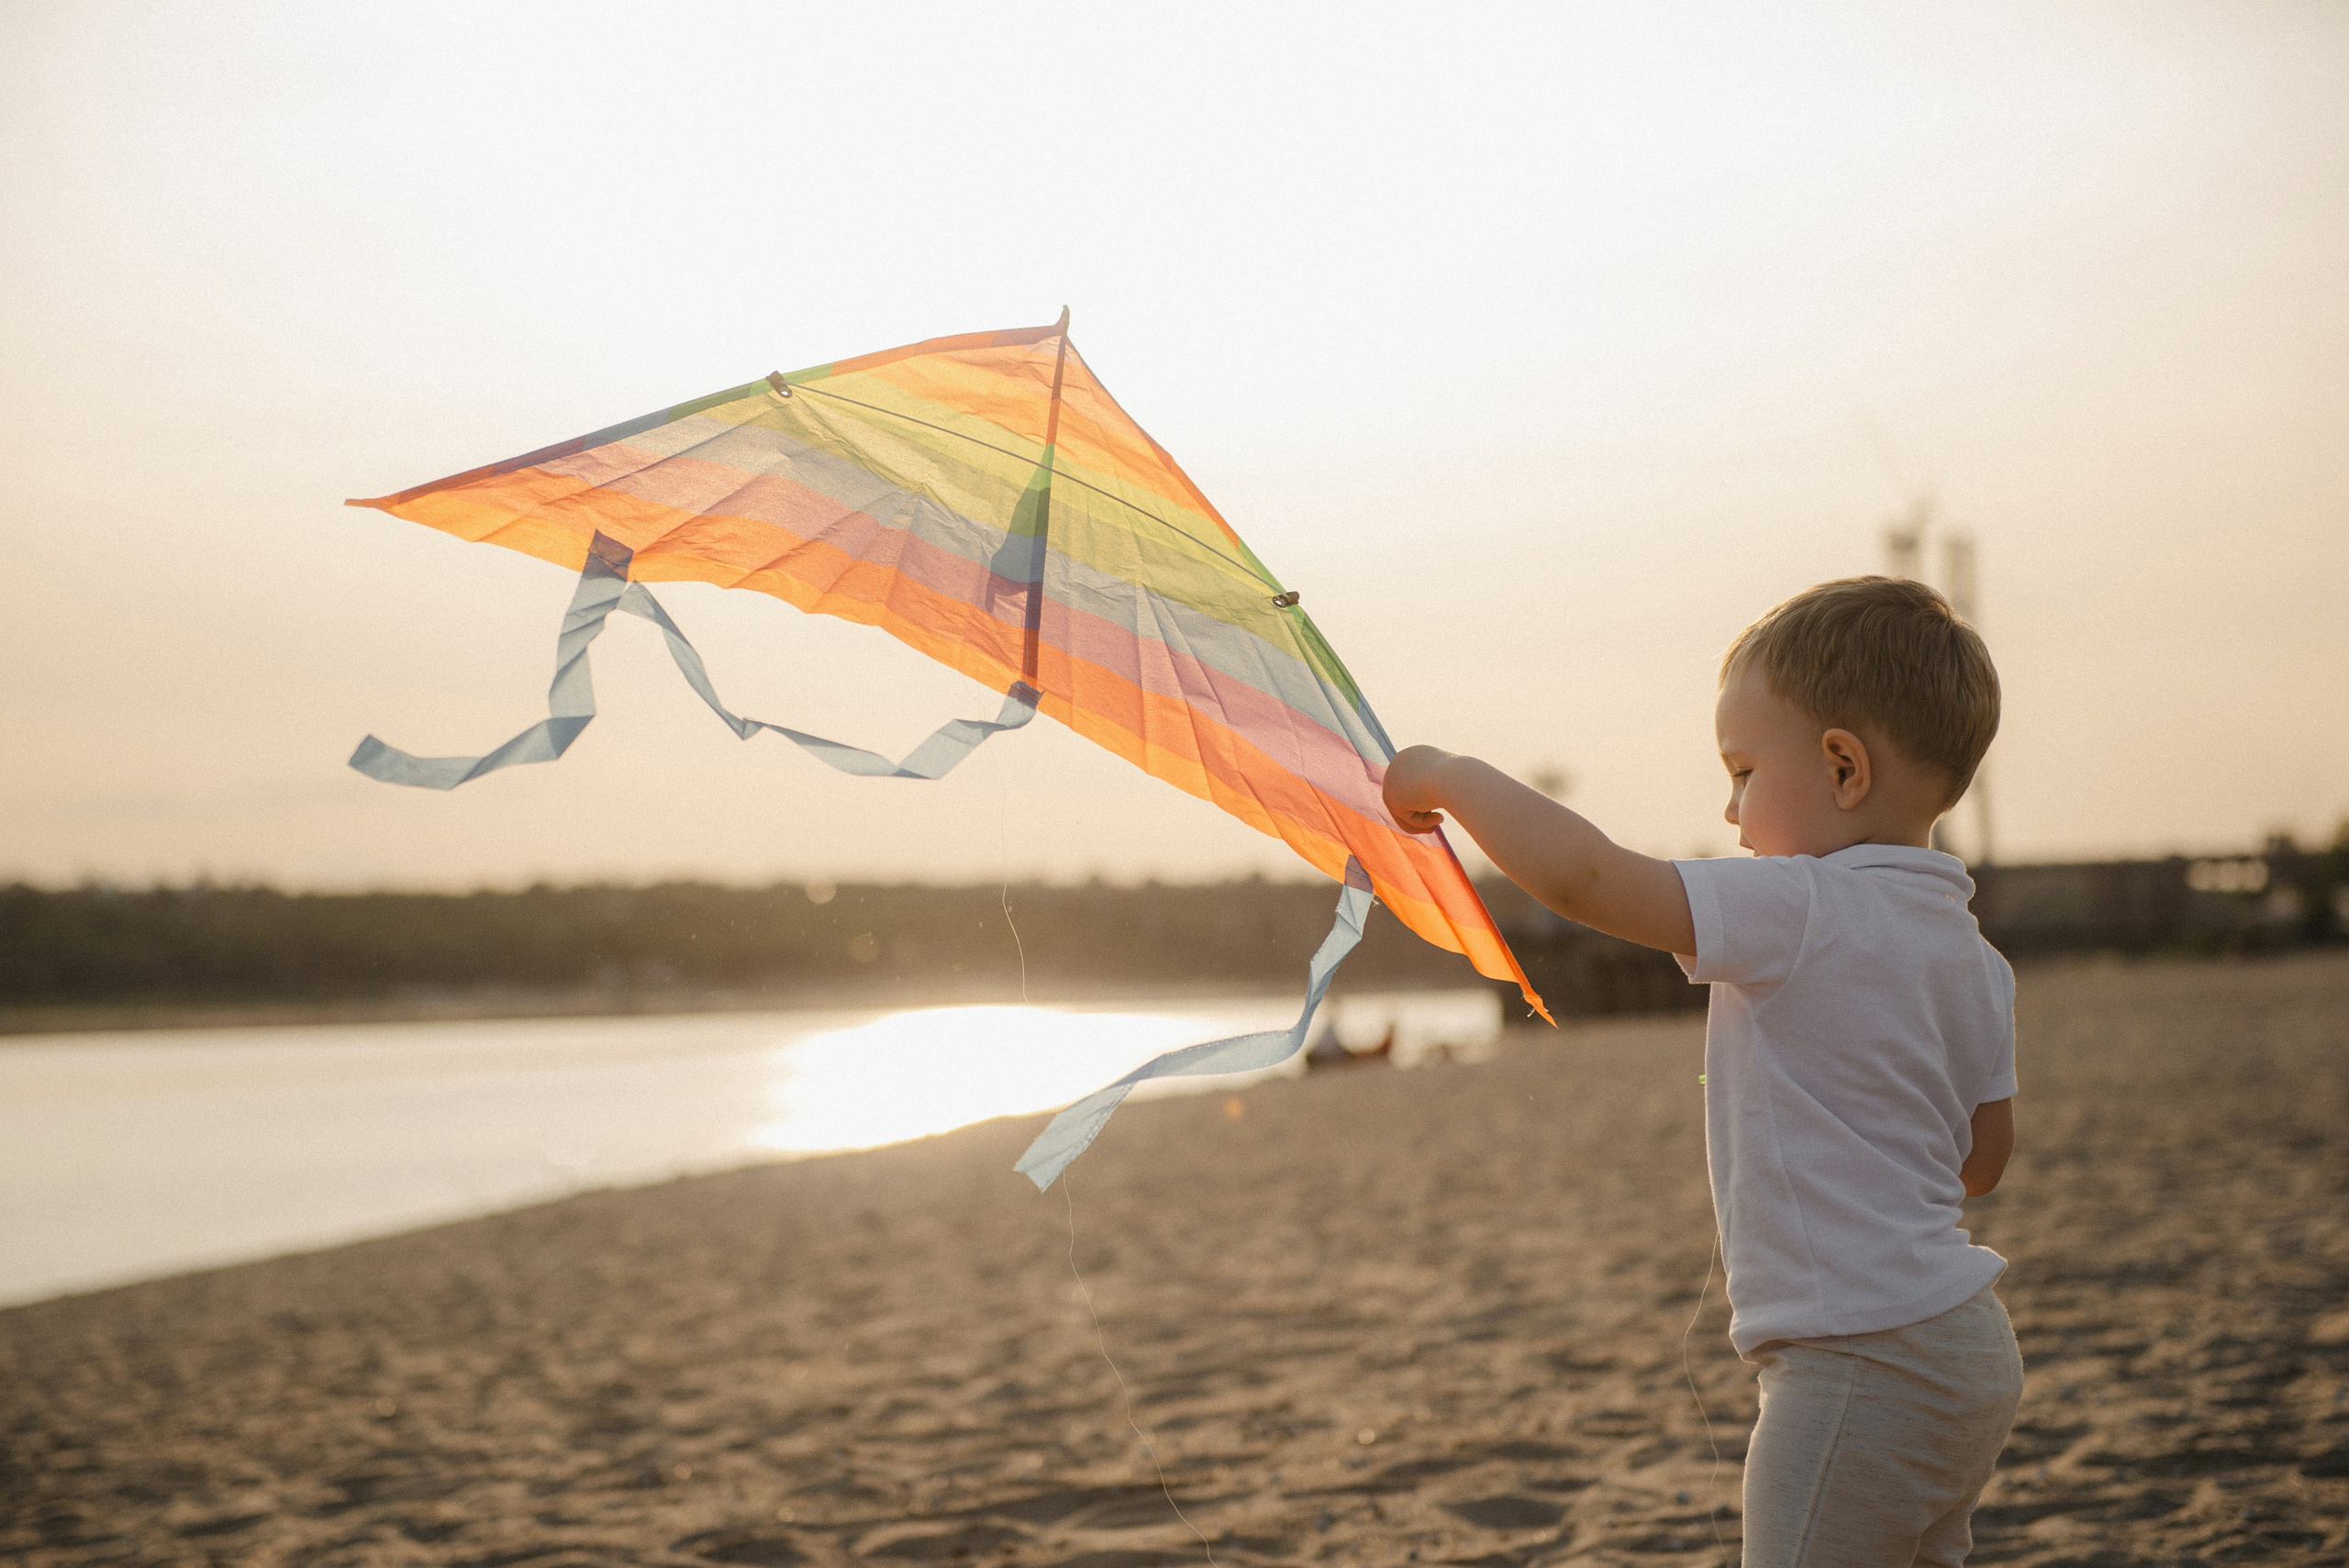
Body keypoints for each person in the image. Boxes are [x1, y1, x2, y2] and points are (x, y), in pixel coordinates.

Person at [1382, 575, 2021, 1567]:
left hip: (1855, 1359)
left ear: (1843, 767)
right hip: (1964, 1346)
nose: (1729, 811)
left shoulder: (1799, 904)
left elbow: (1583, 877)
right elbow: (1981, 1161)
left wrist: (1447, 773)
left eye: (1741, 771)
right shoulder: (1977, 959)